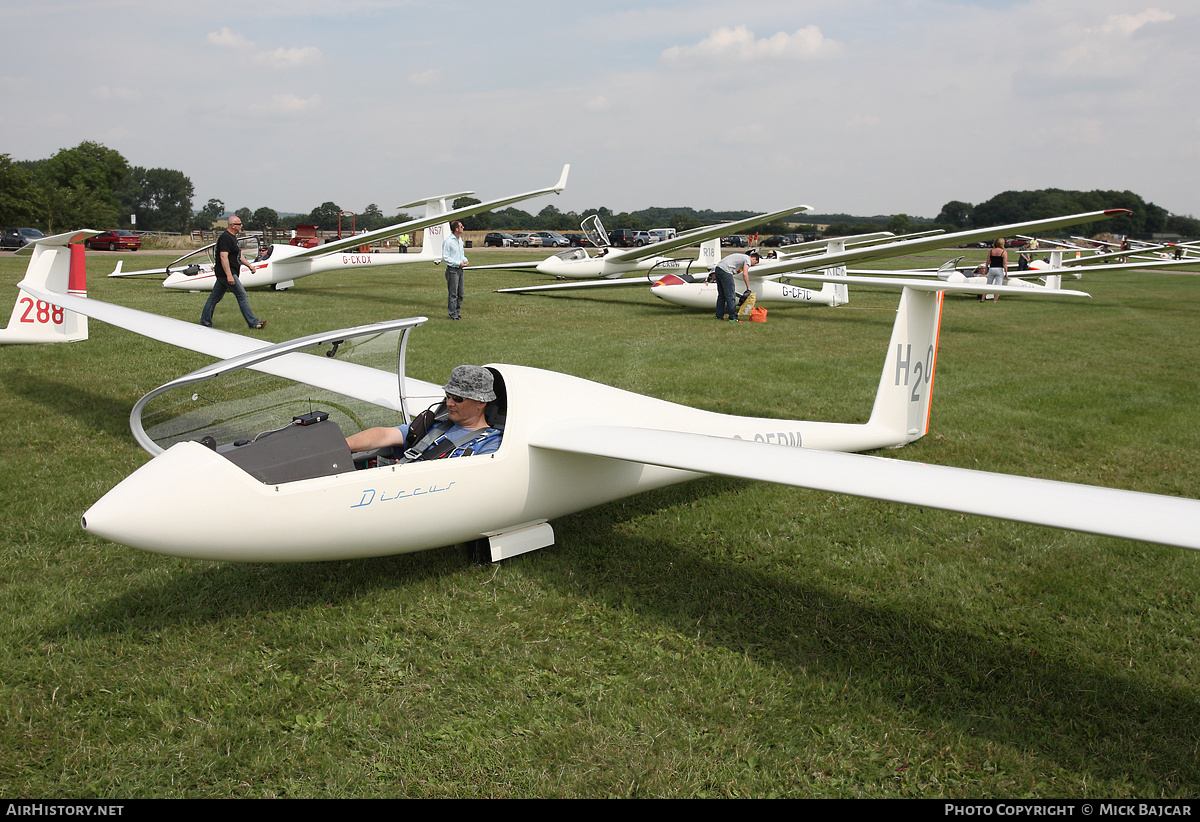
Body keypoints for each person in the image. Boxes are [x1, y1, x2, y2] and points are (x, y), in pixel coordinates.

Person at [346, 365, 502, 462]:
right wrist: (345, 445)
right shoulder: (433, 426)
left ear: (481, 402)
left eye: (457, 399)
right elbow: (385, 435)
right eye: (448, 396)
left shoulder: (491, 444)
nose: (448, 403)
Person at [200, 217, 266, 329]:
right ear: (232, 225)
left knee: (213, 299)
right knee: (242, 295)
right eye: (239, 224)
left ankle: (205, 322)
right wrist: (229, 275)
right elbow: (223, 257)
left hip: (226, 274)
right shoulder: (226, 238)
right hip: (227, 273)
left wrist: (250, 266)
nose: (241, 226)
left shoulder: (233, 238)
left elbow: (238, 255)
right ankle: (254, 323)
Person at [712, 249, 759, 321]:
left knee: (721, 295)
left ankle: (719, 316)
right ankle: (732, 317)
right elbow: (745, 274)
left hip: (718, 269)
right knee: (730, 296)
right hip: (726, 271)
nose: (752, 265)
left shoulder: (742, 257)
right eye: (755, 263)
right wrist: (748, 288)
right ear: (754, 258)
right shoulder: (747, 259)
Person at [442, 221, 468, 320]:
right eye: (461, 226)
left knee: (460, 293)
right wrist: (458, 263)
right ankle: (452, 314)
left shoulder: (460, 240)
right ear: (456, 229)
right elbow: (445, 257)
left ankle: (457, 312)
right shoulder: (448, 241)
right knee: (453, 294)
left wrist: (465, 260)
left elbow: (461, 254)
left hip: (460, 270)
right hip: (452, 270)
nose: (463, 227)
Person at [984, 238, 1008, 304]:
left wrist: (986, 270)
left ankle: (982, 299)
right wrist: (1006, 272)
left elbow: (987, 262)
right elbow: (1005, 263)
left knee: (988, 284)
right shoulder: (1004, 252)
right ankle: (995, 300)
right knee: (998, 285)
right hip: (999, 269)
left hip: (991, 269)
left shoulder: (991, 251)